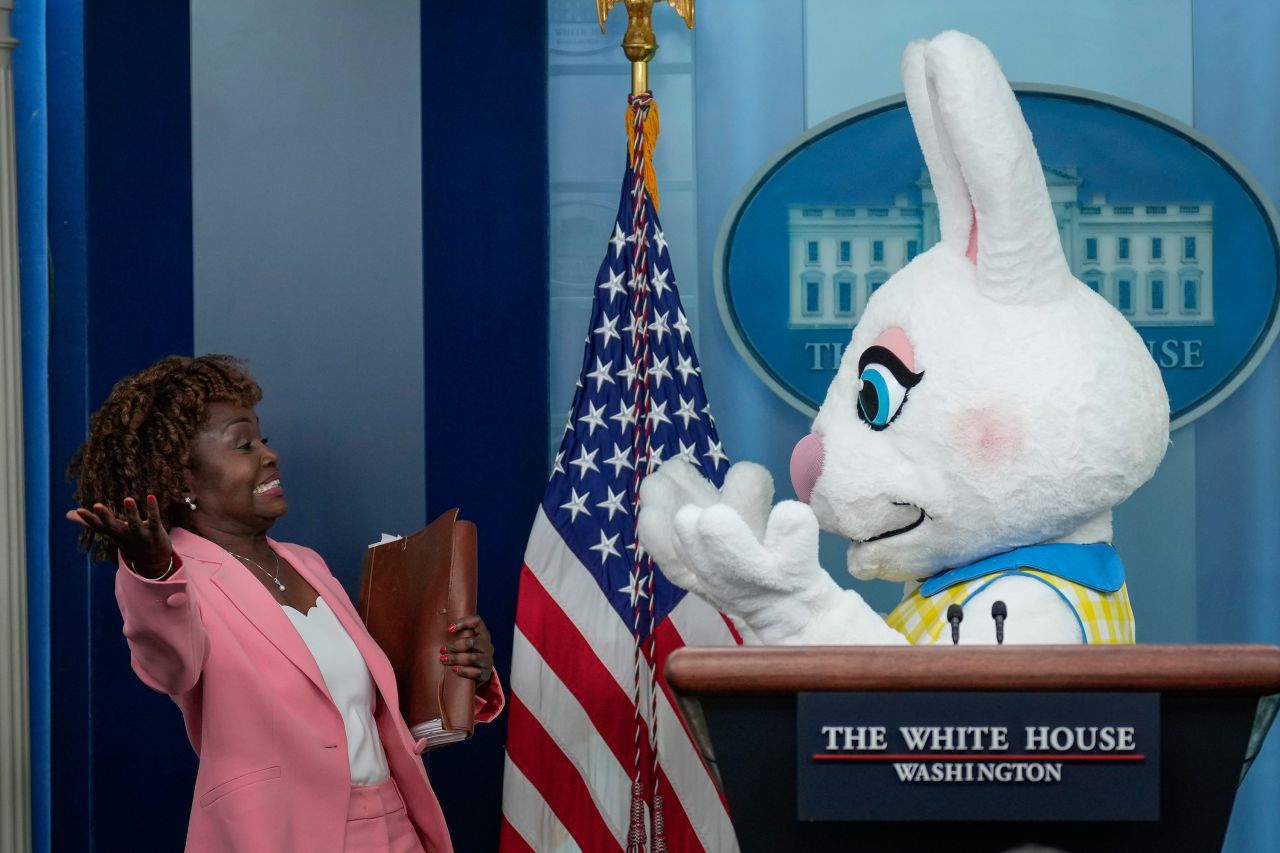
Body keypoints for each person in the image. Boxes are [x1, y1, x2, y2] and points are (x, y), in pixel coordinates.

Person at [66, 354, 504, 853]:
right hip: (277, 836)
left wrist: (461, 668)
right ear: (181, 479)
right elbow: (171, 667)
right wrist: (154, 569)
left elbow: (363, 711)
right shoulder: (173, 579)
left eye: (264, 440)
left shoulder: (306, 563)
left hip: (392, 825)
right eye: (243, 445)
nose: (269, 456)